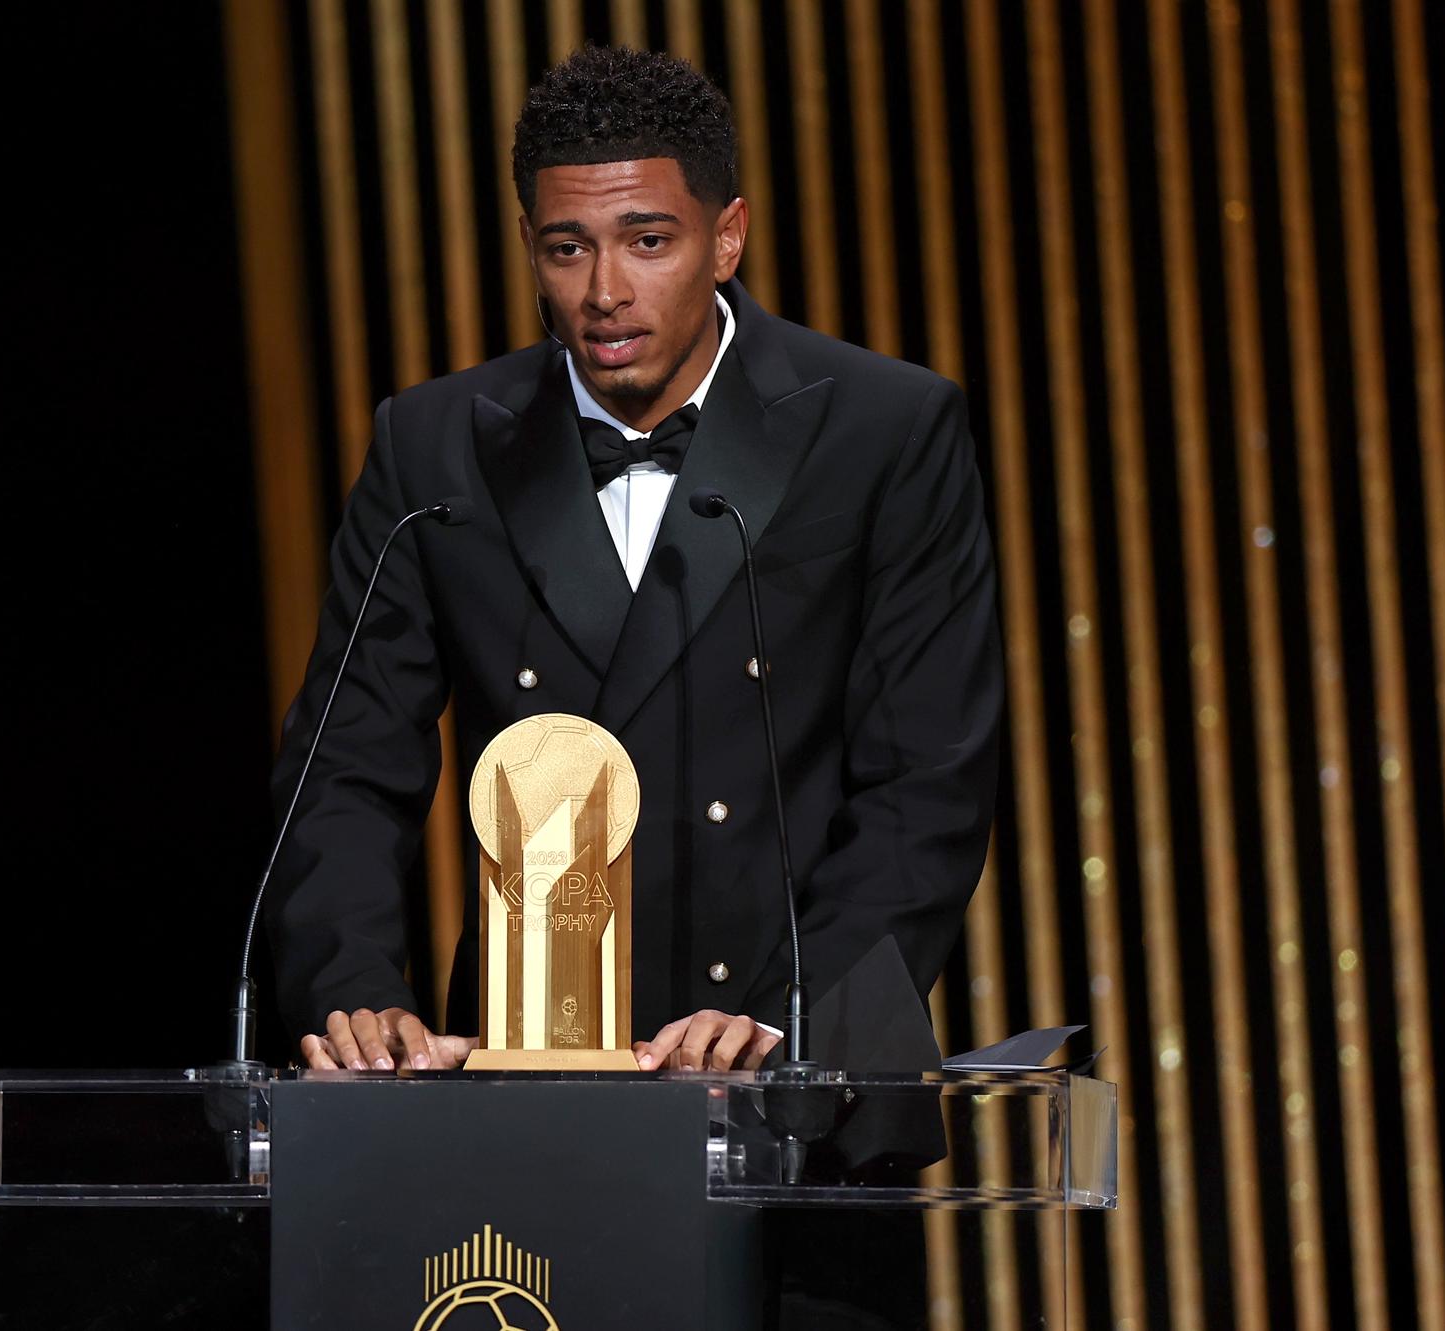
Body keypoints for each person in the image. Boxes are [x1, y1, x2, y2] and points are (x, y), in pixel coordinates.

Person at [268, 52, 999, 1312]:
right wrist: (354, 995)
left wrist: (786, 1024)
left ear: (727, 235)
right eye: (566, 248)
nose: (604, 292)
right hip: (511, 1104)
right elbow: (343, 764)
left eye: (645, 239)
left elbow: (924, 786)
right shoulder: (435, 444)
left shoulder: (885, 429)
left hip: (796, 1118)